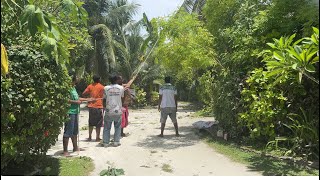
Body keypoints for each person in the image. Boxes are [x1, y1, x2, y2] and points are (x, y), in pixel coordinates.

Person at [63, 75, 88, 156]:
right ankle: (65, 151)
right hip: (70, 112)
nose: (78, 78)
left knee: (75, 131)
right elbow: (65, 100)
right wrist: (76, 102)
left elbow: (77, 98)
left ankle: (75, 147)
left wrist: (87, 99)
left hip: (75, 112)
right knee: (68, 131)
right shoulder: (67, 88)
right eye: (76, 77)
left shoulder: (73, 88)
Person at [102, 75, 124, 147]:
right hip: (118, 110)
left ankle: (105, 142)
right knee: (117, 127)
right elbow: (122, 98)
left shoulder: (106, 88)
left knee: (107, 127)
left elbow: (104, 99)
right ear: (117, 79)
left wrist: (104, 107)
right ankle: (116, 142)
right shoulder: (121, 88)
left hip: (109, 110)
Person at [82, 75, 104, 142]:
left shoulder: (90, 86)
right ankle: (97, 137)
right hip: (99, 106)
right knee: (98, 123)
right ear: (99, 79)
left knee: (91, 122)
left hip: (91, 106)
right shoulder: (102, 87)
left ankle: (89, 137)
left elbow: (84, 93)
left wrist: (89, 97)